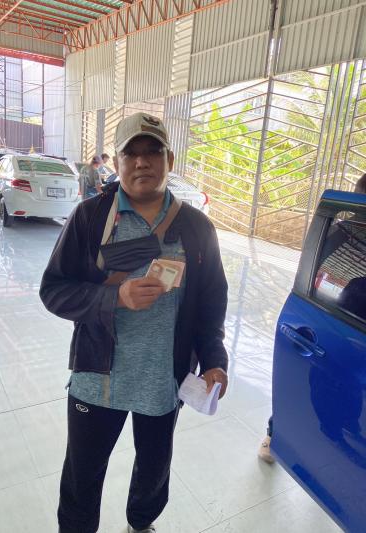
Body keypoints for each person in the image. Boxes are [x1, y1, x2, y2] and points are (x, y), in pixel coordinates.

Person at [40, 112, 229, 533]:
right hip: (96, 379)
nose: (143, 162)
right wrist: (114, 297)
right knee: (82, 475)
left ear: (169, 160)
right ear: (117, 161)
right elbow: (53, 290)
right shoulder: (90, 218)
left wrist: (215, 360)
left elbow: (211, 304)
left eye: (153, 152)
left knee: (154, 470)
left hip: (164, 381)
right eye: (132, 153)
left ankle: (140, 524)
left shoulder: (196, 228)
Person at [258, 172, 366, 464]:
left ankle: (348, 424)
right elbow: (310, 277)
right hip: (331, 322)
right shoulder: (339, 233)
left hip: (354, 332)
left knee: (352, 392)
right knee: (314, 389)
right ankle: (275, 434)